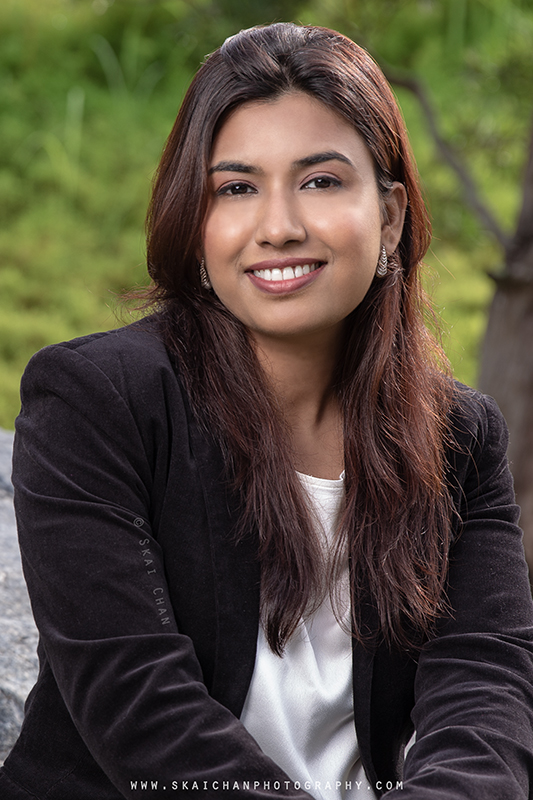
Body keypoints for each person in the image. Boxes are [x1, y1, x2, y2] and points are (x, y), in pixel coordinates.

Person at [1, 21, 532, 800]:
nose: (278, 226)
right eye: (236, 188)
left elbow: (484, 693)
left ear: (388, 219)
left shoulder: (457, 438)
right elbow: (140, 707)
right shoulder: (94, 404)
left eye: (320, 181)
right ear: (197, 223)